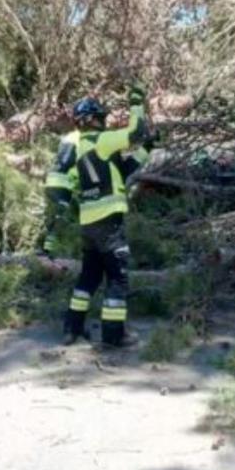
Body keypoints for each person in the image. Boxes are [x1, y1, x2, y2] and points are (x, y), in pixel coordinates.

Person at [42, 86, 151, 347]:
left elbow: (121, 171)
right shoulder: (102, 141)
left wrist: (147, 150)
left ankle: (72, 329)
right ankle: (114, 336)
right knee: (117, 278)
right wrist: (136, 104)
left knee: (89, 278)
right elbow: (136, 132)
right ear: (91, 120)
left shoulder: (82, 151)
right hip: (110, 224)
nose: (104, 122)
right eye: (101, 117)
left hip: (89, 225)